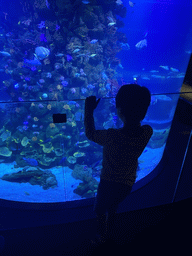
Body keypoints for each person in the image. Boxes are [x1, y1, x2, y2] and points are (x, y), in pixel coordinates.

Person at [84, 84, 153, 245]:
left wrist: (88, 110)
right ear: (144, 111)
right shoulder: (147, 132)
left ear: (119, 111)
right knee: (113, 206)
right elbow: (142, 127)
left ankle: (102, 237)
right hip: (127, 184)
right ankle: (111, 230)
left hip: (108, 183)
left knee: (99, 209)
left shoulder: (111, 136)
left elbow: (91, 134)